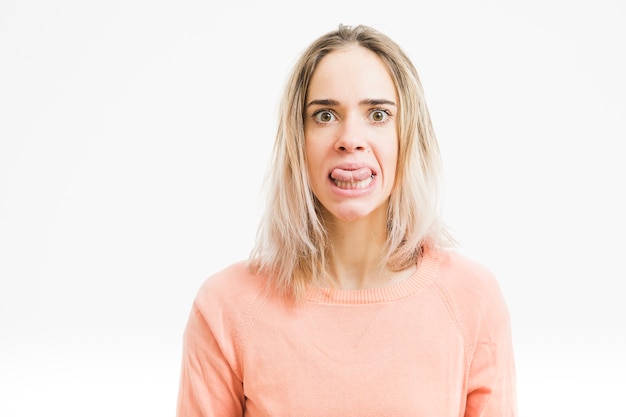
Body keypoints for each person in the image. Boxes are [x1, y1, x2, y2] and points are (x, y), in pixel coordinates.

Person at [176, 24, 517, 416]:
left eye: (377, 114)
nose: (350, 137)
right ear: (297, 140)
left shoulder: (472, 299)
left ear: (407, 136)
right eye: (324, 115)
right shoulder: (225, 308)